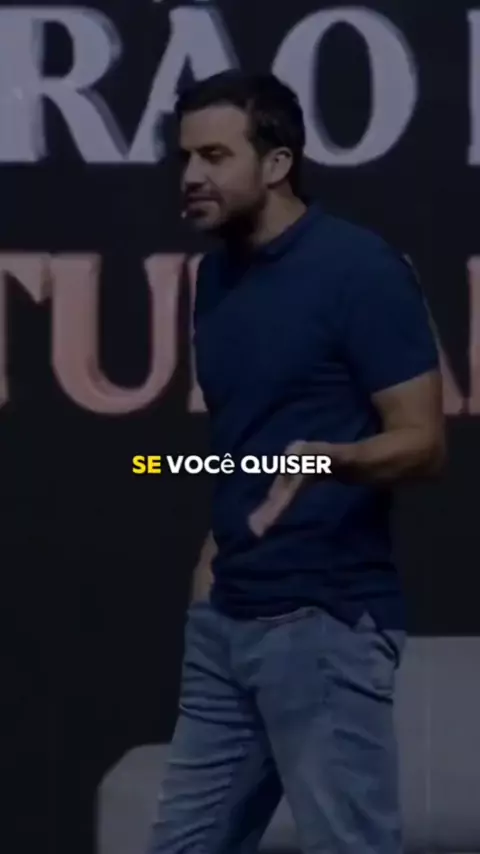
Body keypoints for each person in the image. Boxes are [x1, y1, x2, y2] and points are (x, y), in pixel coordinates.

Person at [147, 70, 445, 854]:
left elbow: (423, 440)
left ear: (277, 163)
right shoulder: (215, 278)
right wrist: (212, 564)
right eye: (185, 157)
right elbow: (242, 441)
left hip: (324, 620)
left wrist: (333, 459)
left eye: (215, 155)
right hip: (227, 620)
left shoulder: (361, 270)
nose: (191, 176)